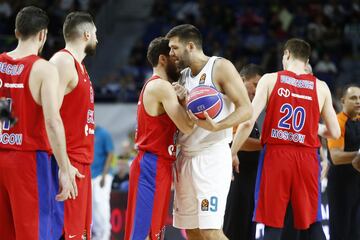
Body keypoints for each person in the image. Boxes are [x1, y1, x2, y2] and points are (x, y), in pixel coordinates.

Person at [231, 38, 340, 240]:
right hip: (308, 157)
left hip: (277, 156)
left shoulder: (270, 79)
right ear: (306, 59)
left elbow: (247, 122)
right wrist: (312, 127)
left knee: (273, 224)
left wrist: (232, 152)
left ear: (286, 54)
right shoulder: (321, 86)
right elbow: (334, 132)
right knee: (312, 223)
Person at [166, 24, 252, 240]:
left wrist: (218, 126)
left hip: (211, 156)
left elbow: (246, 109)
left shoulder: (220, 67)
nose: (171, 54)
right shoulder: (182, 77)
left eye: (175, 48)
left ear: (191, 46)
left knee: (211, 231)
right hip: (185, 157)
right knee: (192, 230)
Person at [0, 6, 78, 239]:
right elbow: (53, 121)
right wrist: (65, 169)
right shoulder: (44, 69)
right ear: (43, 34)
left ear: (16, 32)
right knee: (36, 233)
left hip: (3, 156)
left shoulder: (1, 63)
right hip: (28, 161)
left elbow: (6, 109)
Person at [124, 37, 194, 240]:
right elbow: (187, 126)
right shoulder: (161, 87)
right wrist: (186, 99)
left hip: (158, 164)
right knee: (144, 234)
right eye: (174, 58)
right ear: (163, 59)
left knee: (155, 234)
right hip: (152, 164)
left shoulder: (159, 87)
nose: (179, 63)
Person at [50, 11, 97, 240]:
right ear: (87, 34)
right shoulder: (62, 61)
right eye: (96, 33)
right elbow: (47, 115)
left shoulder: (80, 68)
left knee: (80, 235)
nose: (97, 38)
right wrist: (64, 165)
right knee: (64, 234)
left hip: (81, 162)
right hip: (67, 162)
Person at [223, 64, 263, 240]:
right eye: (254, 84)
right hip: (235, 178)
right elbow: (238, 143)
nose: (257, 90)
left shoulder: (248, 109)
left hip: (250, 179)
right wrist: (268, 143)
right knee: (234, 227)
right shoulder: (231, 105)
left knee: (248, 229)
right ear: (241, 80)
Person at [326, 84, 360, 240]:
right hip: (340, 184)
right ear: (343, 101)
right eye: (353, 98)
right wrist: (358, 154)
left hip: (356, 182)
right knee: (341, 232)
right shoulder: (337, 122)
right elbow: (335, 157)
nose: (358, 101)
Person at [91, 125, 114, 240]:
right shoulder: (87, 132)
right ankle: (97, 234)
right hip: (91, 174)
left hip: (102, 174)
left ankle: (105, 234)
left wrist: (104, 175)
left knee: (101, 204)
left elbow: (110, 154)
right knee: (93, 205)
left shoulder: (103, 133)